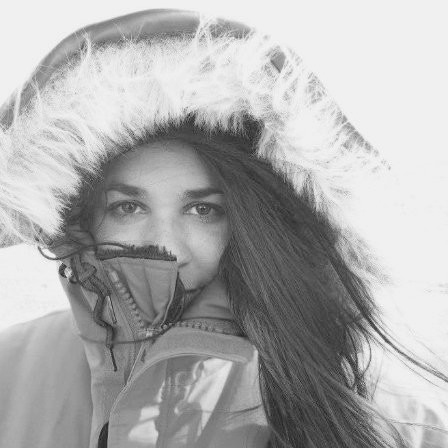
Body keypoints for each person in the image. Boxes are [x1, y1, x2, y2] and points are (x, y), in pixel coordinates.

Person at [0, 9, 446, 448]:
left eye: (202, 210)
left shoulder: (391, 421)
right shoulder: (11, 373)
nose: (166, 246)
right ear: (81, 219)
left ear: (255, 224)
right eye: (129, 207)